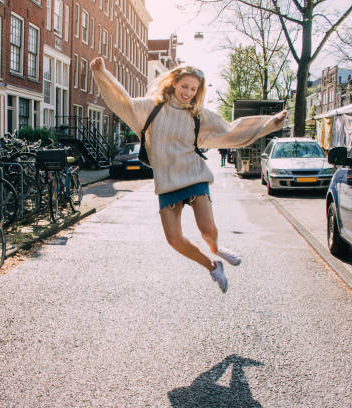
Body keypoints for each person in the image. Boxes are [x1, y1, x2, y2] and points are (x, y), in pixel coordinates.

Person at [90, 57, 287, 293]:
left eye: (194, 89)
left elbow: (231, 130)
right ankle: (213, 266)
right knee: (174, 239)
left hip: (194, 177)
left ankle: (216, 247)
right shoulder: (151, 108)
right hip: (167, 183)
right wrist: (101, 73)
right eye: (185, 87)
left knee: (208, 229)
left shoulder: (198, 115)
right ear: (173, 83)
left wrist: (270, 123)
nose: (188, 93)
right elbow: (123, 102)